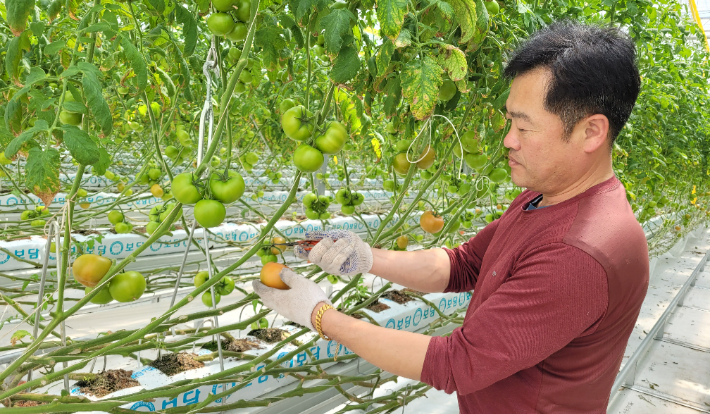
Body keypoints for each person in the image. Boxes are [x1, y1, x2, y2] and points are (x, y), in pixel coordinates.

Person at [253, 21, 649, 413]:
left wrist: (321, 317)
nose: (508, 139)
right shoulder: (544, 198)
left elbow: (457, 363)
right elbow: (465, 265)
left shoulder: (579, 253)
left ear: (591, 132)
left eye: (524, 127)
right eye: (510, 121)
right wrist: (368, 258)